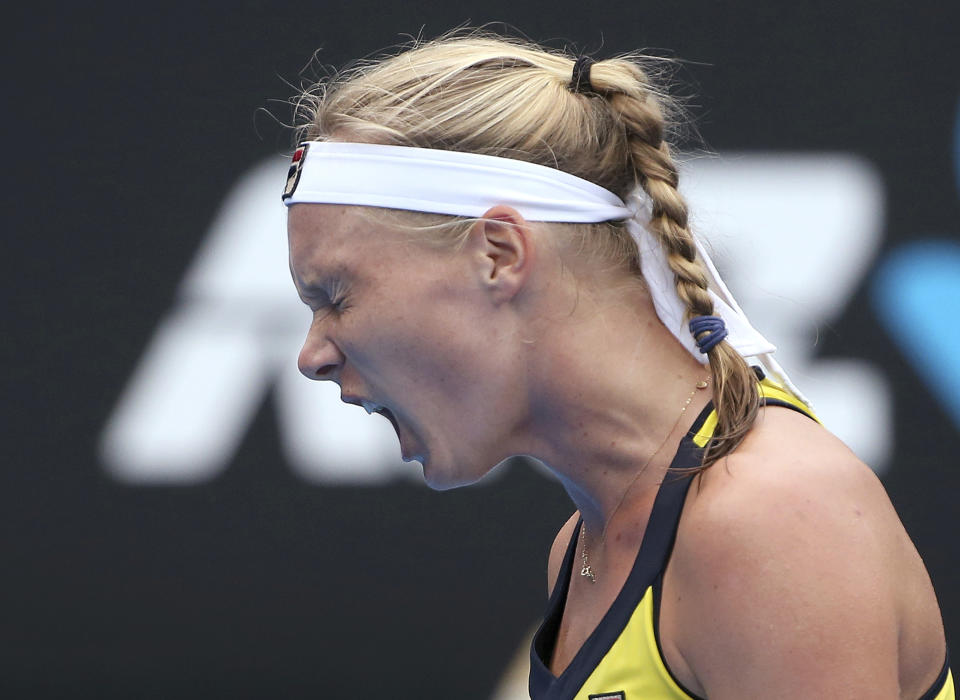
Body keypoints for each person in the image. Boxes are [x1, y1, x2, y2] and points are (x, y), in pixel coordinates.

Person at [282, 31, 953, 699]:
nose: (313, 356)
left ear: (499, 254)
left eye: (335, 295)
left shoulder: (766, 516)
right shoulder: (584, 548)